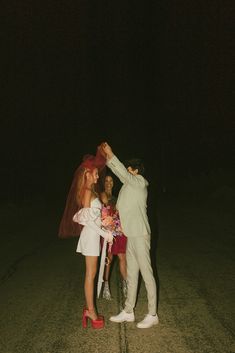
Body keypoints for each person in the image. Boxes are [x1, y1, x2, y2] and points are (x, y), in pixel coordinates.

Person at [100, 142, 159, 329]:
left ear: (135, 171)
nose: (126, 172)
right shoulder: (128, 187)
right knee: (132, 275)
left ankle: (152, 314)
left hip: (140, 235)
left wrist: (110, 155)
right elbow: (121, 209)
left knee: (147, 274)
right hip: (130, 235)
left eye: (128, 170)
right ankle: (128, 311)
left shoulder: (140, 183)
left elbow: (122, 174)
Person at [58, 147, 113, 329]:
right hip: (91, 236)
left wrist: (106, 222)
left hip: (93, 234)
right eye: (96, 174)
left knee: (92, 272)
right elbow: (88, 221)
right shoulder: (87, 191)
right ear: (88, 174)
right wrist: (105, 232)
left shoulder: (90, 190)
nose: (98, 177)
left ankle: (90, 309)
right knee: (90, 274)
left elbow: (93, 217)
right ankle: (90, 310)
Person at [99, 173, 127, 300]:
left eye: (111, 181)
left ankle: (125, 285)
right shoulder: (103, 195)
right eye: (106, 180)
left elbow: (119, 212)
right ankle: (106, 287)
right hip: (108, 231)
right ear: (103, 183)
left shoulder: (117, 196)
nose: (109, 183)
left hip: (118, 229)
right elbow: (107, 210)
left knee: (122, 256)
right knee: (108, 259)